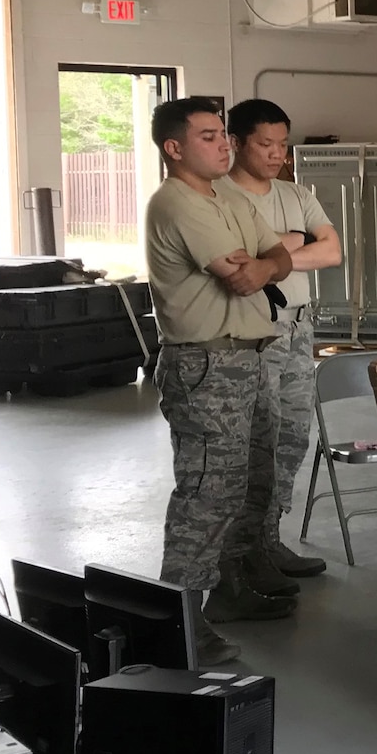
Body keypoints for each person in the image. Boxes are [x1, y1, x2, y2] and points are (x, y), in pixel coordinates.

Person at [143, 97, 295, 664]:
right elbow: (239, 277)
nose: (223, 143)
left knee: (255, 478)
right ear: (175, 148)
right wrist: (258, 267)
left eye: (222, 135)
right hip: (206, 366)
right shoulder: (178, 204)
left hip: (249, 360)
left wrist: (266, 264)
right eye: (208, 136)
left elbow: (275, 254)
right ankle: (177, 624)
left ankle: (229, 591)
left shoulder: (225, 195)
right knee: (207, 493)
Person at [223, 99, 343, 587]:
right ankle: (246, 550)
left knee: (293, 435)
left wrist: (277, 246)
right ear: (236, 142)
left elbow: (333, 251)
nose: (276, 155)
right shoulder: (219, 197)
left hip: (299, 326)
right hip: (253, 331)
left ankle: (271, 539)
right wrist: (294, 242)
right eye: (265, 144)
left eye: (283, 144)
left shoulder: (297, 194)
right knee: (257, 441)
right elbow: (238, 263)